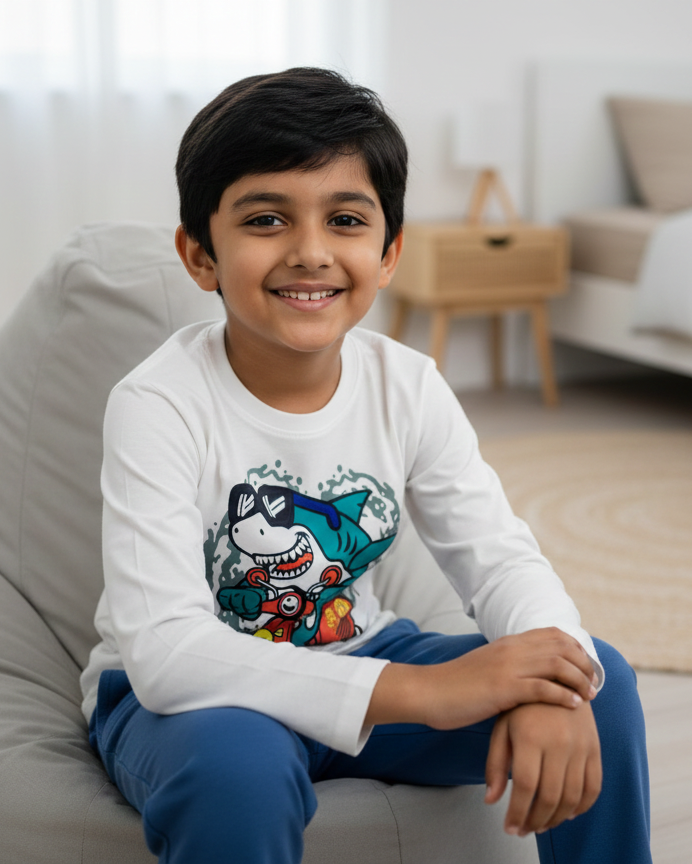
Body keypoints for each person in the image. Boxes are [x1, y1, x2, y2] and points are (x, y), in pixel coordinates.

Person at [81, 67, 652, 864]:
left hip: (357, 653)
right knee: (237, 774)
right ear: (200, 254)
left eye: (345, 219)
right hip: (190, 703)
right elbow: (168, 652)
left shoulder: (407, 385)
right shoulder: (157, 402)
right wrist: (424, 692)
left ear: (387, 254)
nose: (310, 252)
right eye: (267, 219)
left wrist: (549, 678)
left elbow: (497, 559)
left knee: (604, 684)